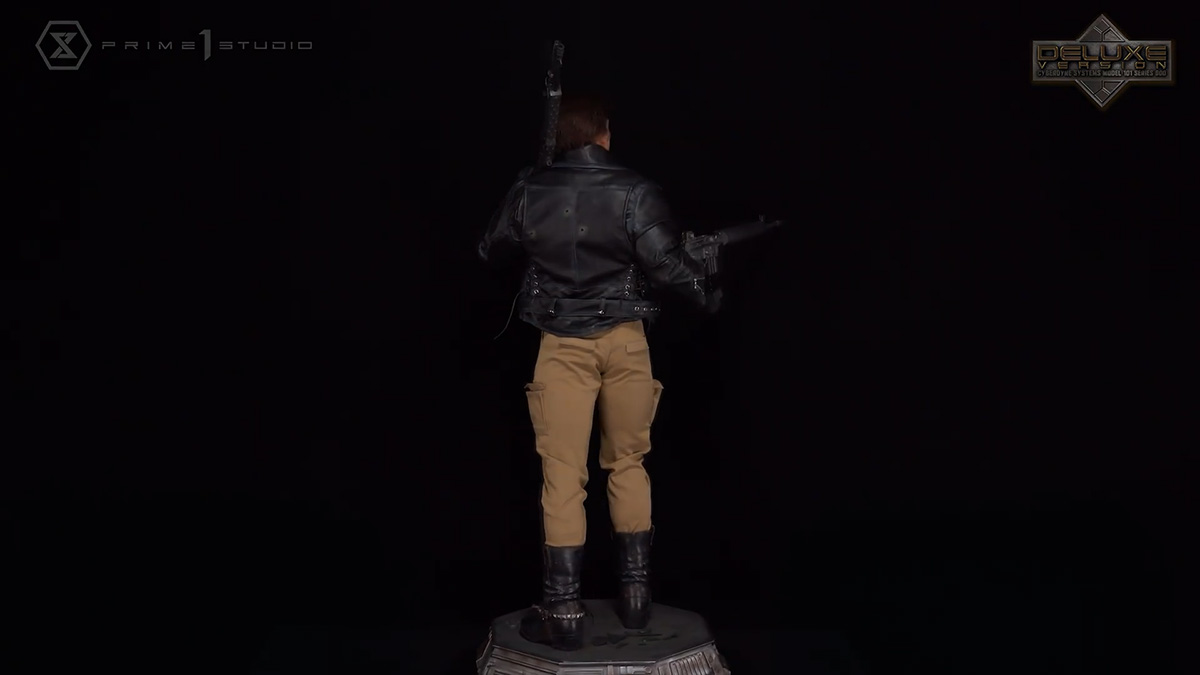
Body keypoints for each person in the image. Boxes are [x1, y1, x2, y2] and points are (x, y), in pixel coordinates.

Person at [478, 94, 721, 650]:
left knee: (564, 474)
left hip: (561, 343)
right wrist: (707, 289)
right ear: (604, 134)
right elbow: (667, 267)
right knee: (628, 463)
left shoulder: (531, 189)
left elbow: (491, 250)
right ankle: (636, 598)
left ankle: (563, 607)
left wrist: (525, 193)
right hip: (625, 342)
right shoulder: (635, 189)